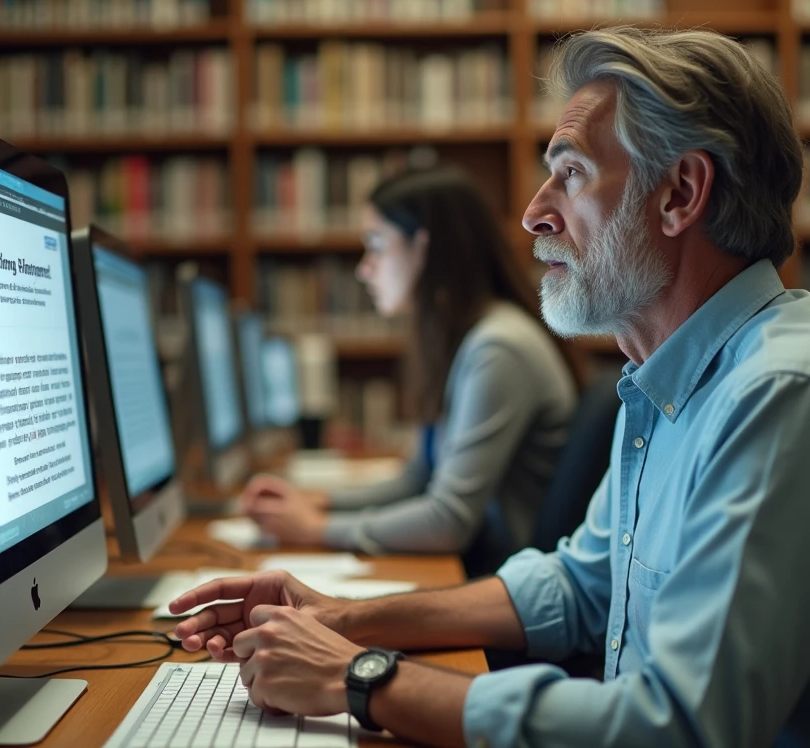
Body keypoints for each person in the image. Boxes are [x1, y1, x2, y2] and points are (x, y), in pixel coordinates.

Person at [171, 26, 810, 747]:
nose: (533, 215)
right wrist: (340, 618)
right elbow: (581, 586)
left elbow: (676, 728)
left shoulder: (787, 395)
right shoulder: (665, 379)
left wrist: (360, 677)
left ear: (680, 193)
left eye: (570, 174)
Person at [240, 166, 580, 574]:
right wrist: (319, 503)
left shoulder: (499, 348)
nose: (364, 268)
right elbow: (418, 477)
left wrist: (318, 529)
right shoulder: (468, 337)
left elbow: (448, 521)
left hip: (499, 577)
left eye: (377, 245)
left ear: (424, 248)